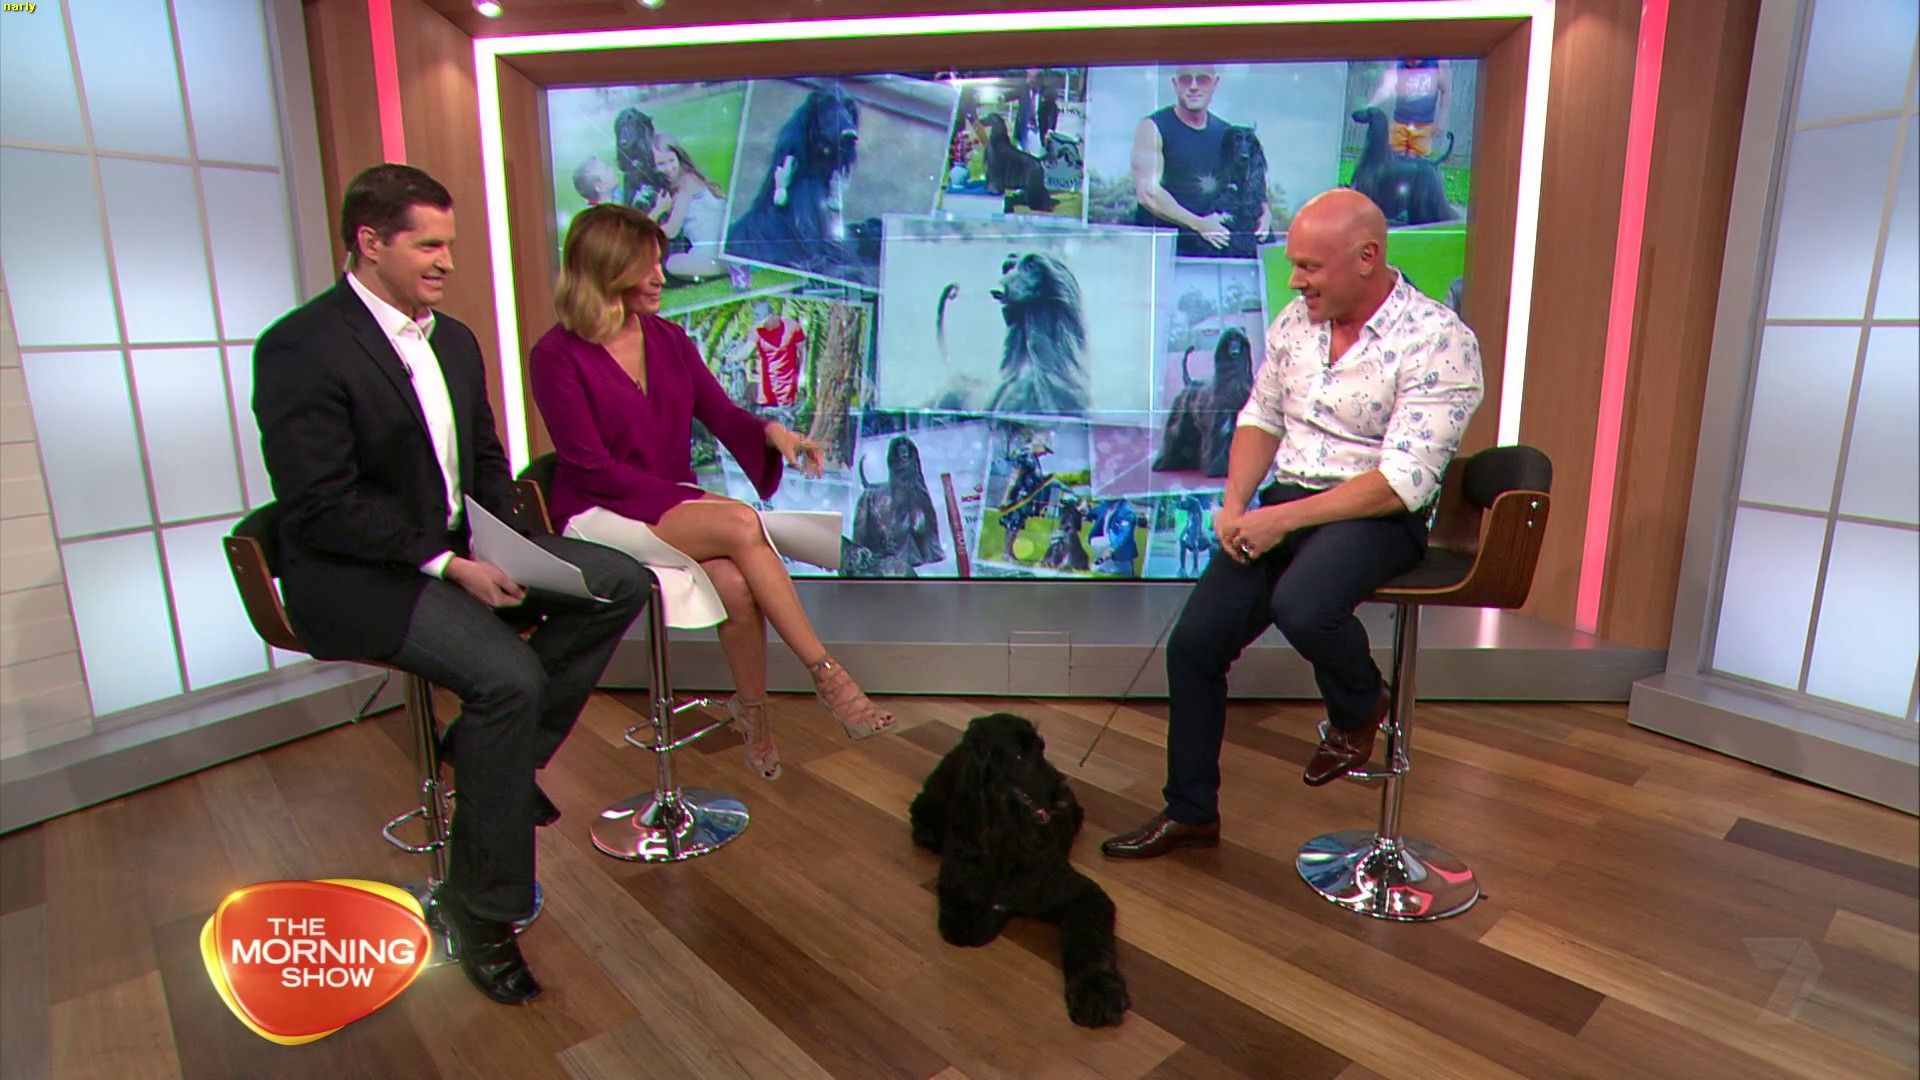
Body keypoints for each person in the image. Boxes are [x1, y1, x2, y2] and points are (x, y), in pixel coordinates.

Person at [252, 165, 649, 1003]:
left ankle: (488, 759)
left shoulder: (456, 339)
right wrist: (449, 565)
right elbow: (321, 507)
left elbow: (486, 459)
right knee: (510, 679)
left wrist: (505, 539)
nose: (446, 262)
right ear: (369, 242)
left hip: (461, 552)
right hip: (358, 576)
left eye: (450, 244)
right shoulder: (300, 347)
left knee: (619, 581)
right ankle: (484, 911)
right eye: (428, 245)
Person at [1101, 189, 1483, 859]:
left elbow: (1404, 481)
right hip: (1286, 499)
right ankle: (1191, 812)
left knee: (1303, 605)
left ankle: (1360, 705)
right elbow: (1261, 417)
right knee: (1194, 646)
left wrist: (1279, 520)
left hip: (1375, 511)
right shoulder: (1295, 324)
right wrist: (1236, 505)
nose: (1294, 281)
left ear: (1367, 258)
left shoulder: (1439, 339)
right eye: (1293, 265)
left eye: (1309, 267)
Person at [527, 204, 895, 785]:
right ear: (606, 271)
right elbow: (588, 467)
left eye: (660, 263)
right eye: (646, 267)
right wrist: (692, 502)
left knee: (735, 583)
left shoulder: (669, 339)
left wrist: (774, 434)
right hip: (598, 509)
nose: (661, 277)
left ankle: (754, 715)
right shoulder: (555, 356)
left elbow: (721, 414)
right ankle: (828, 677)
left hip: (668, 500)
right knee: (742, 523)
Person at [1130, 64, 1271, 257]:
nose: (1194, 86)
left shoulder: (1227, 134)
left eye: (1202, 79)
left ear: (1215, 83)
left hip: (1211, 251)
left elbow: (1249, 183)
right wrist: (1199, 224)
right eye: (1186, 80)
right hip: (1161, 252)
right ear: (1175, 84)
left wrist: (1265, 213)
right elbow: (1148, 193)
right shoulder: (1153, 127)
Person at [650, 132, 732, 284]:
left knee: (672, 264)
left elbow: (672, 230)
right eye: (661, 164)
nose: (669, 168)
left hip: (716, 255)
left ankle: (729, 268)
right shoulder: (681, 183)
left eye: (671, 160)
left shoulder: (687, 181)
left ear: (679, 158)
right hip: (717, 250)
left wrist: (657, 211)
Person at [1370, 58, 1452, 158]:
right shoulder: (1398, 64)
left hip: (1424, 125)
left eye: (1414, 60)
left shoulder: (1438, 63)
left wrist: (1441, 121)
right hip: (1400, 123)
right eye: (1407, 60)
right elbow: (1386, 89)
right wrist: (1371, 105)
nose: (1410, 63)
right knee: (1395, 160)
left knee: (1415, 162)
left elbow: (1446, 90)